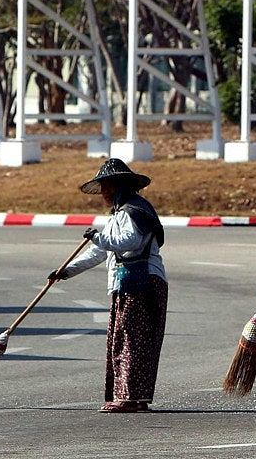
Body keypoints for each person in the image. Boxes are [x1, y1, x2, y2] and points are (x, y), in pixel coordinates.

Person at [48, 158, 168, 413]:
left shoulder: (134, 210)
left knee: (130, 340)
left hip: (140, 281)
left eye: (105, 187)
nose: (103, 193)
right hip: (131, 282)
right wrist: (66, 271)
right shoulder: (119, 214)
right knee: (127, 339)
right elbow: (99, 252)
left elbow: (129, 240)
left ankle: (129, 398)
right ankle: (134, 397)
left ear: (118, 186)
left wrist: (99, 236)